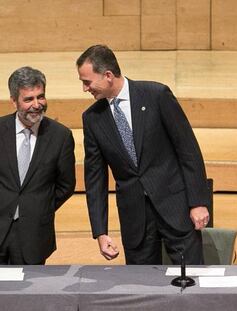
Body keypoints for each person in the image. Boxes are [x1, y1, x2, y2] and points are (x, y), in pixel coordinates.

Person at [77, 45, 210, 264]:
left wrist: (198, 202)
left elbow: (188, 150)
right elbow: (95, 179)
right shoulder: (92, 118)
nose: (85, 88)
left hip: (176, 209)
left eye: (87, 81)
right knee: (143, 289)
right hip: (136, 220)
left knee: (191, 280)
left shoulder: (156, 95)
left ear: (108, 75)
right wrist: (100, 232)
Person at [0, 66, 76, 264]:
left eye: (40, 97)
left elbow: (66, 185)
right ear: (14, 101)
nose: (37, 104)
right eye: (28, 99)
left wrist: (39, 206)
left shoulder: (60, 136)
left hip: (34, 235)